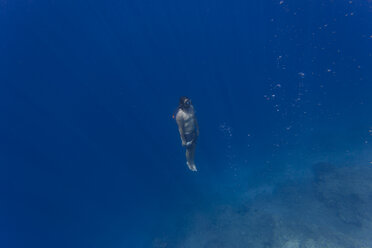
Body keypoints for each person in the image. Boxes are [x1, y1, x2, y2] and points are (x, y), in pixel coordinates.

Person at [175, 96, 199, 172]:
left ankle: (192, 161)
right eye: (186, 102)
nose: (188, 103)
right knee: (189, 150)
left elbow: (194, 118)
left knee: (194, 147)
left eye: (188, 101)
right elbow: (180, 128)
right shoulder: (179, 115)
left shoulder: (191, 107)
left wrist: (197, 129)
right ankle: (189, 162)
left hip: (193, 131)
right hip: (187, 134)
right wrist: (183, 140)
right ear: (182, 104)